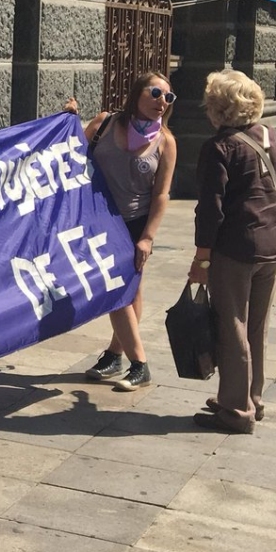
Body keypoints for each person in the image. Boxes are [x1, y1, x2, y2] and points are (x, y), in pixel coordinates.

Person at [64, 72, 178, 391]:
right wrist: (70, 121)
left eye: (168, 97)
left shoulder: (166, 141)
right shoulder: (105, 123)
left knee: (120, 290)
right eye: (156, 93)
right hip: (98, 220)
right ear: (136, 94)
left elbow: (161, 195)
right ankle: (116, 355)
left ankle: (138, 363)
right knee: (127, 291)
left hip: (134, 223)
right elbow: (70, 152)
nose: (162, 102)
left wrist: (147, 237)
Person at [189, 69, 276, 434]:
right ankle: (249, 399)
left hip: (235, 248)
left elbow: (211, 209)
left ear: (219, 108)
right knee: (255, 327)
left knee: (232, 326)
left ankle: (236, 411)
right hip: (270, 245)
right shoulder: (267, 137)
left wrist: (202, 259)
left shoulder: (219, 147)